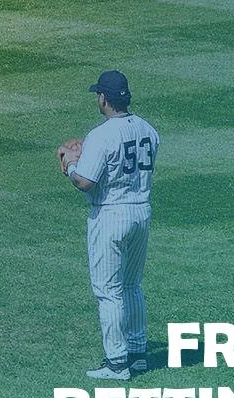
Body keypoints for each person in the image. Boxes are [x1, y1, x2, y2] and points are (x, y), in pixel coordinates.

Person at [60, 70, 159, 381]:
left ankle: (117, 363)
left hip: (110, 214)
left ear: (103, 98)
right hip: (141, 211)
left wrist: (69, 163)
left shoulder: (101, 135)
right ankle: (138, 352)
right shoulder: (148, 129)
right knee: (131, 286)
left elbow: (85, 182)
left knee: (108, 291)